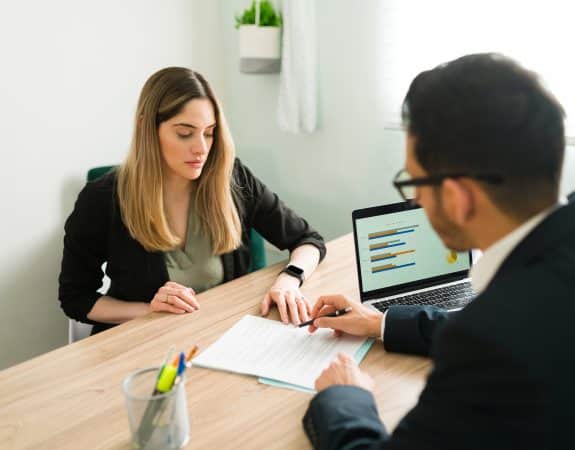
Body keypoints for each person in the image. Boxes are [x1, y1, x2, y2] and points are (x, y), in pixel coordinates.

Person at [303, 53, 574, 450]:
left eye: (414, 182)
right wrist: (381, 323)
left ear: (457, 197)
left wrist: (345, 397)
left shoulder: (488, 342)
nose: (415, 199)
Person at [59, 67, 326, 335]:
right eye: (185, 133)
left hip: (221, 335)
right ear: (146, 126)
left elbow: (307, 240)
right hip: (142, 342)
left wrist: (290, 280)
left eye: (209, 132)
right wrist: (148, 311)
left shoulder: (230, 177)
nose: (201, 148)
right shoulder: (102, 198)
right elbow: (75, 298)